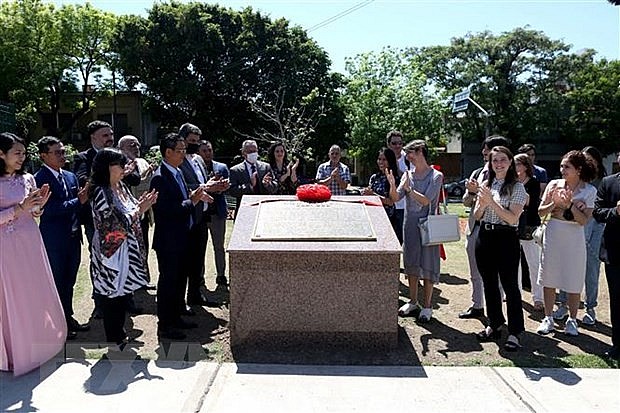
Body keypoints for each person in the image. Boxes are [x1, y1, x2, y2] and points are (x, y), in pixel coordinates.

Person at [0, 132, 66, 376]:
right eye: (17, 153)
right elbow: (16, 211)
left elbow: (33, 211)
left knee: (32, 291)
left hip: (30, 241)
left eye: (24, 153)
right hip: (5, 248)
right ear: (1, 154)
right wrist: (19, 209)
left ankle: (38, 345)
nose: (22, 157)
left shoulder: (28, 178)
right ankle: (13, 352)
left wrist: (39, 206)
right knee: (11, 297)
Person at [89, 148, 157, 352]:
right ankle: (114, 340)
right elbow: (112, 224)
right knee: (112, 296)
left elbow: (132, 210)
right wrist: (139, 210)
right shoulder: (100, 191)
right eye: (121, 165)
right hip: (111, 251)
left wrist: (141, 208)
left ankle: (120, 335)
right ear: (108, 167)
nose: (125, 169)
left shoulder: (121, 186)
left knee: (122, 294)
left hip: (128, 248)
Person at [150, 133, 213, 340]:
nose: (184, 154)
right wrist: (192, 201)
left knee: (179, 281)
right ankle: (165, 325)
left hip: (182, 237)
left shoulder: (177, 172)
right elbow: (165, 210)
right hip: (168, 240)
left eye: (185, 150)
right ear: (168, 152)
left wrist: (196, 196)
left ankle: (176, 317)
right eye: (180, 150)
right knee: (168, 283)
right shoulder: (160, 177)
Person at [34, 136, 90, 340]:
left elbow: (76, 205)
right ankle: (57, 325)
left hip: (74, 238)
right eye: (57, 152)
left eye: (63, 151)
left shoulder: (69, 176)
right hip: (54, 240)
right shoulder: (39, 179)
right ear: (43, 156)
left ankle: (68, 317)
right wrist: (79, 201)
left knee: (70, 281)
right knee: (57, 282)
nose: (62, 156)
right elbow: (49, 211)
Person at [536, 150, 597, 337]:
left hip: (574, 238)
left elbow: (583, 220)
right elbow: (541, 211)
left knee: (573, 278)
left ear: (578, 170)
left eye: (567, 166)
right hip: (553, 233)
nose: (562, 169)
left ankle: (572, 319)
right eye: (562, 166)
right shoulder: (554, 185)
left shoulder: (589, 190)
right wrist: (555, 205)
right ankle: (548, 318)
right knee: (548, 276)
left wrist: (569, 205)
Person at [473, 146, 526, 351]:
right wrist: (483, 203)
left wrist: (491, 202)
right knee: (489, 284)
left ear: (510, 162)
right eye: (495, 160)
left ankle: (515, 332)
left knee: (510, 286)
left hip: (506, 238)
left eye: (503, 160)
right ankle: (494, 324)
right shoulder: (487, 184)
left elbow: (512, 218)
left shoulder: (517, 187)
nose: (499, 164)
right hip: (485, 236)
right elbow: (477, 215)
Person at [388, 140, 443, 323]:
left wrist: (409, 189)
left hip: (428, 226)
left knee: (428, 265)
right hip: (410, 224)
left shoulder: (436, 175)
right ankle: (413, 302)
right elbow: (396, 198)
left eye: (410, 153)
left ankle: (427, 306)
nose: (408, 157)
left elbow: (426, 200)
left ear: (420, 152)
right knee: (411, 262)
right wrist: (392, 184)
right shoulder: (407, 174)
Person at [459, 135, 510, 319]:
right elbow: (466, 201)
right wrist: (472, 193)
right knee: (475, 270)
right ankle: (477, 305)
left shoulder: (509, 178)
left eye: (487, 149)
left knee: (497, 275)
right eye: (484, 149)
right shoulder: (477, 173)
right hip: (476, 227)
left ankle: (495, 312)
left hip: (498, 230)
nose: (483, 152)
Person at [554, 146, 607, 325]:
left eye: (589, 159)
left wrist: (587, 207)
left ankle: (590, 307)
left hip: (596, 225)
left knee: (591, 265)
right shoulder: (566, 182)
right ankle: (563, 304)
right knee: (566, 264)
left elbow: (599, 207)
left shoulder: (601, 182)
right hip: (572, 225)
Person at [178, 123, 219, 307]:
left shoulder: (199, 160)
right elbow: (182, 188)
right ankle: (179, 301)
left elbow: (204, 183)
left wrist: (216, 186)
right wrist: (205, 188)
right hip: (186, 217)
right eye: (191, 141)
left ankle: (195, 294)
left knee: (198, 259)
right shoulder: (177, 162)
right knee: (184, 261)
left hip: (201, 217)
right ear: (182, 140)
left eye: (197, 141)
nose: (194, 144)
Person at [592, 150, 620, 360]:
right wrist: (616, 212)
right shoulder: (609, 183)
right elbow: (598, 212)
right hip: (615, 252)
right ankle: (617, 345)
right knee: (617, 301)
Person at [198, 140, 231, 287]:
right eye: (204, 151)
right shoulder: (195, 167)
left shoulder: (221, 167)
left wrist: (222, 187)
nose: (207, 153)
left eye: (209, 150)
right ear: (198, 152)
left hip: (217, 212)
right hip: (201, 213)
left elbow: (227, 186)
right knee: (200, 247)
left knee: (219, 246)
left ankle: (221, 275)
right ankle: (199, 276)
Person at [514, 153, 543, 310]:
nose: (515, 167)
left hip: (529, 226)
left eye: (517, 164)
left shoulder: (533, 183)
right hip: (512, 225)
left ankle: (538, 297)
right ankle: (515, 294)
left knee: (533, 262)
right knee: (514, 263)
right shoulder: (510, 182)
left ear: (525, 166)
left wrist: (517, 188)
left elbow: (530, 204)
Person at [228, 139, 277, 219]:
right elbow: (233, 191)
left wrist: (268, 184)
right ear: (244, 153)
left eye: (255, 151)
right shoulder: (235, 170)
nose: (253, 154)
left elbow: (275, 186)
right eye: (250, 151)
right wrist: (250, 185)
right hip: (245, 210)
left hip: (263, 209)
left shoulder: (265, 167)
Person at [361, 147, 401, 238]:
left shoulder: (394, 178)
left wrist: (373, 195)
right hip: (373, 216)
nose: (381, 162)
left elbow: (391, 202)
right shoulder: (374, 177)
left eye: (384, 160)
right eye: (379, 159)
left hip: (388, 218)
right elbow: (369, 193)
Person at [387, 130, 408, 244]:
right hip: (388, 206)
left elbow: (408, 179)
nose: (398, 146)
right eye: (394, 143)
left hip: (403, 206)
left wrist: (395, 164)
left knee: (403, 241)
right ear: (388, 144)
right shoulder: (384, 158)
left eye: (400, 143)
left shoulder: (408, 158)